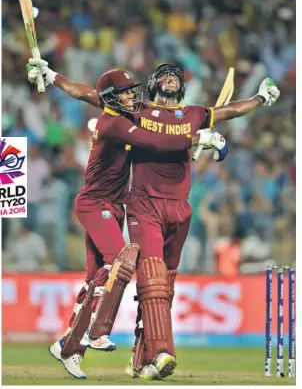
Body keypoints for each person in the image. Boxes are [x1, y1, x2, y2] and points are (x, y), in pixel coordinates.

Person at [27, 59, 279, 379]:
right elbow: (95, 96)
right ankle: (155, 351)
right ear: (153, 85)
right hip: (143, 204)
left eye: (176, 76)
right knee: (151, 276)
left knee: (165, 284)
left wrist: (260, 99)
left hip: (180, 207)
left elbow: (229, 110)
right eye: (164, 75)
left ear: (182, 86)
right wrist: (54, 78)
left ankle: (140, 358)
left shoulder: (194, 114)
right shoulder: (139, 111)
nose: (170, 78)